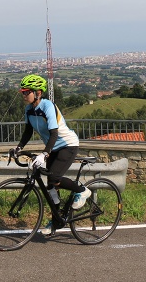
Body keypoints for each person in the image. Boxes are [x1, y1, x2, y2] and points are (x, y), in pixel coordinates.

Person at [11, 73, 91, 235]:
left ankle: (82, 191)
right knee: (50, 186)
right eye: (23, 92)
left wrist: (44, 154)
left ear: (38, 93)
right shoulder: (29, 110)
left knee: (54, 179)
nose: (24, 94)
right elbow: (28, 132)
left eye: (27, 92)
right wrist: (18, 147)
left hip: (67, 145)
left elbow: (54, 133)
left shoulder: (48, 106)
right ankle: (56, 220)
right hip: (53, 147)